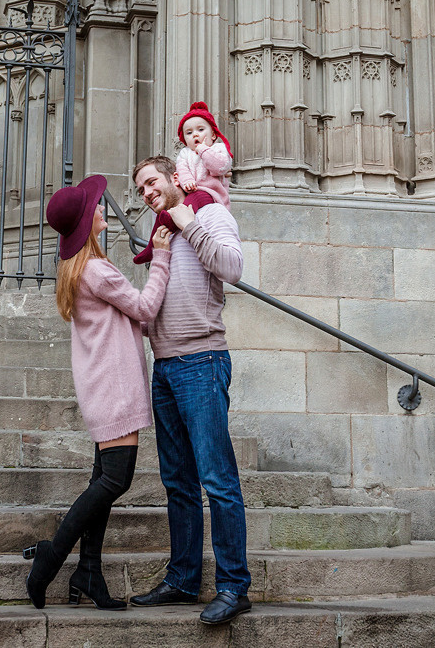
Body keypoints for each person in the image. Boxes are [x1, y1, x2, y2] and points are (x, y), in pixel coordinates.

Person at [23, 174, 173, 610]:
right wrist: (160, 258)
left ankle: (88, 571)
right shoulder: (98, 269)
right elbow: (144, 307)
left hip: (102, 384)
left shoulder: (78, 269)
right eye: (96, 208)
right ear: (87, 221)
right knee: (115, 479)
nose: (103, 209)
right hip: (114, 386)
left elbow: (131, 319)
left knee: (101, 479)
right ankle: (51, 557)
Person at [128, 155, 251, 625]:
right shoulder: (162, 233)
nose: (146, 192)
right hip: (165, 367)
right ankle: (182, 580)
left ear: (175, 177)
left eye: (152, 182)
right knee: (177, 483)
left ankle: (234, 586)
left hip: (202, 362)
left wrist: (189, 222)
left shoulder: (210, 212)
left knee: (217, 480)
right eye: (139, 188)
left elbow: (232, 267)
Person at [131, 102, 232, 265]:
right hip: (193, 190)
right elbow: (182, 171)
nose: (195, 135)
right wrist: (187, 182)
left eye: (201, 130)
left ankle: (171, 221)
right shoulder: (185, 154)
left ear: (213, 134)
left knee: (184, 207)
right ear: (184, 139)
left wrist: (203, 150)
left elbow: (219, 166)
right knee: (160, 218)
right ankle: (150, 247)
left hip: (210, 194)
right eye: (189, 133)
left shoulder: (218, 149)